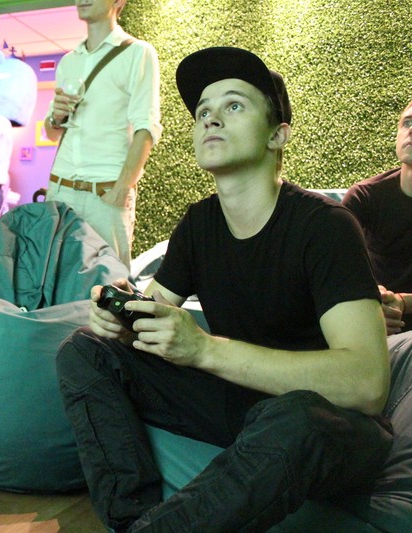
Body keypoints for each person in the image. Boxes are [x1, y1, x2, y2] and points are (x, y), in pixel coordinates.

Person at [56, 47, 393, 532]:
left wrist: (204, 349)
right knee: (86, 349)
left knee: (294, 417)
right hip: (239, 404)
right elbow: (155, 314)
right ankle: (132, 520)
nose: (211, 118)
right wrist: (121, 319)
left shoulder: (325, 226)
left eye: (234, 105)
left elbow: (367, 384)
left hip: (327, 424)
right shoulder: (199, 224)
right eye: (203, 112)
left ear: (278, 135)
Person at [43, 0, 161, 267]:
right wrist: (55, 117)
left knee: (110, 282)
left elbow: (146, 127)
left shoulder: (137, 52)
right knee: (53, 279)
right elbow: (51, 132)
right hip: (60, 189)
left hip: (105, 194)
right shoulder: (69, 61)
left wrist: (122, 188)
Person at [343, 99, 412, 335]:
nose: (411, 130)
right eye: (407, 123)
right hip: (373, 324)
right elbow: (333, 267)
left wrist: (403, 302)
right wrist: (372, 299)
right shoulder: (365, 196)